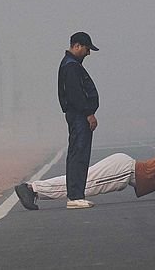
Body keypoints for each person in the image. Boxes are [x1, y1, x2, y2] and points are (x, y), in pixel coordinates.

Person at [14, 143, 155, 210]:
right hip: (124, 171)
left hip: (124, 169)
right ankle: (31, 188)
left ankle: (34, 191)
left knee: (83, 183)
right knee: (83, 186)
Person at [59, 32, 100, 209]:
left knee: (79, 153)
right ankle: (75, 196)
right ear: (77, 46)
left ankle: (77, 194)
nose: (88, 53)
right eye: (86, 49)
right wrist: (88, 113)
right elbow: (76, 95)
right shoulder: (71, 67)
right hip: (79, 116)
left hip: (78, 115)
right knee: (79, 154)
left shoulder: (70, 65)